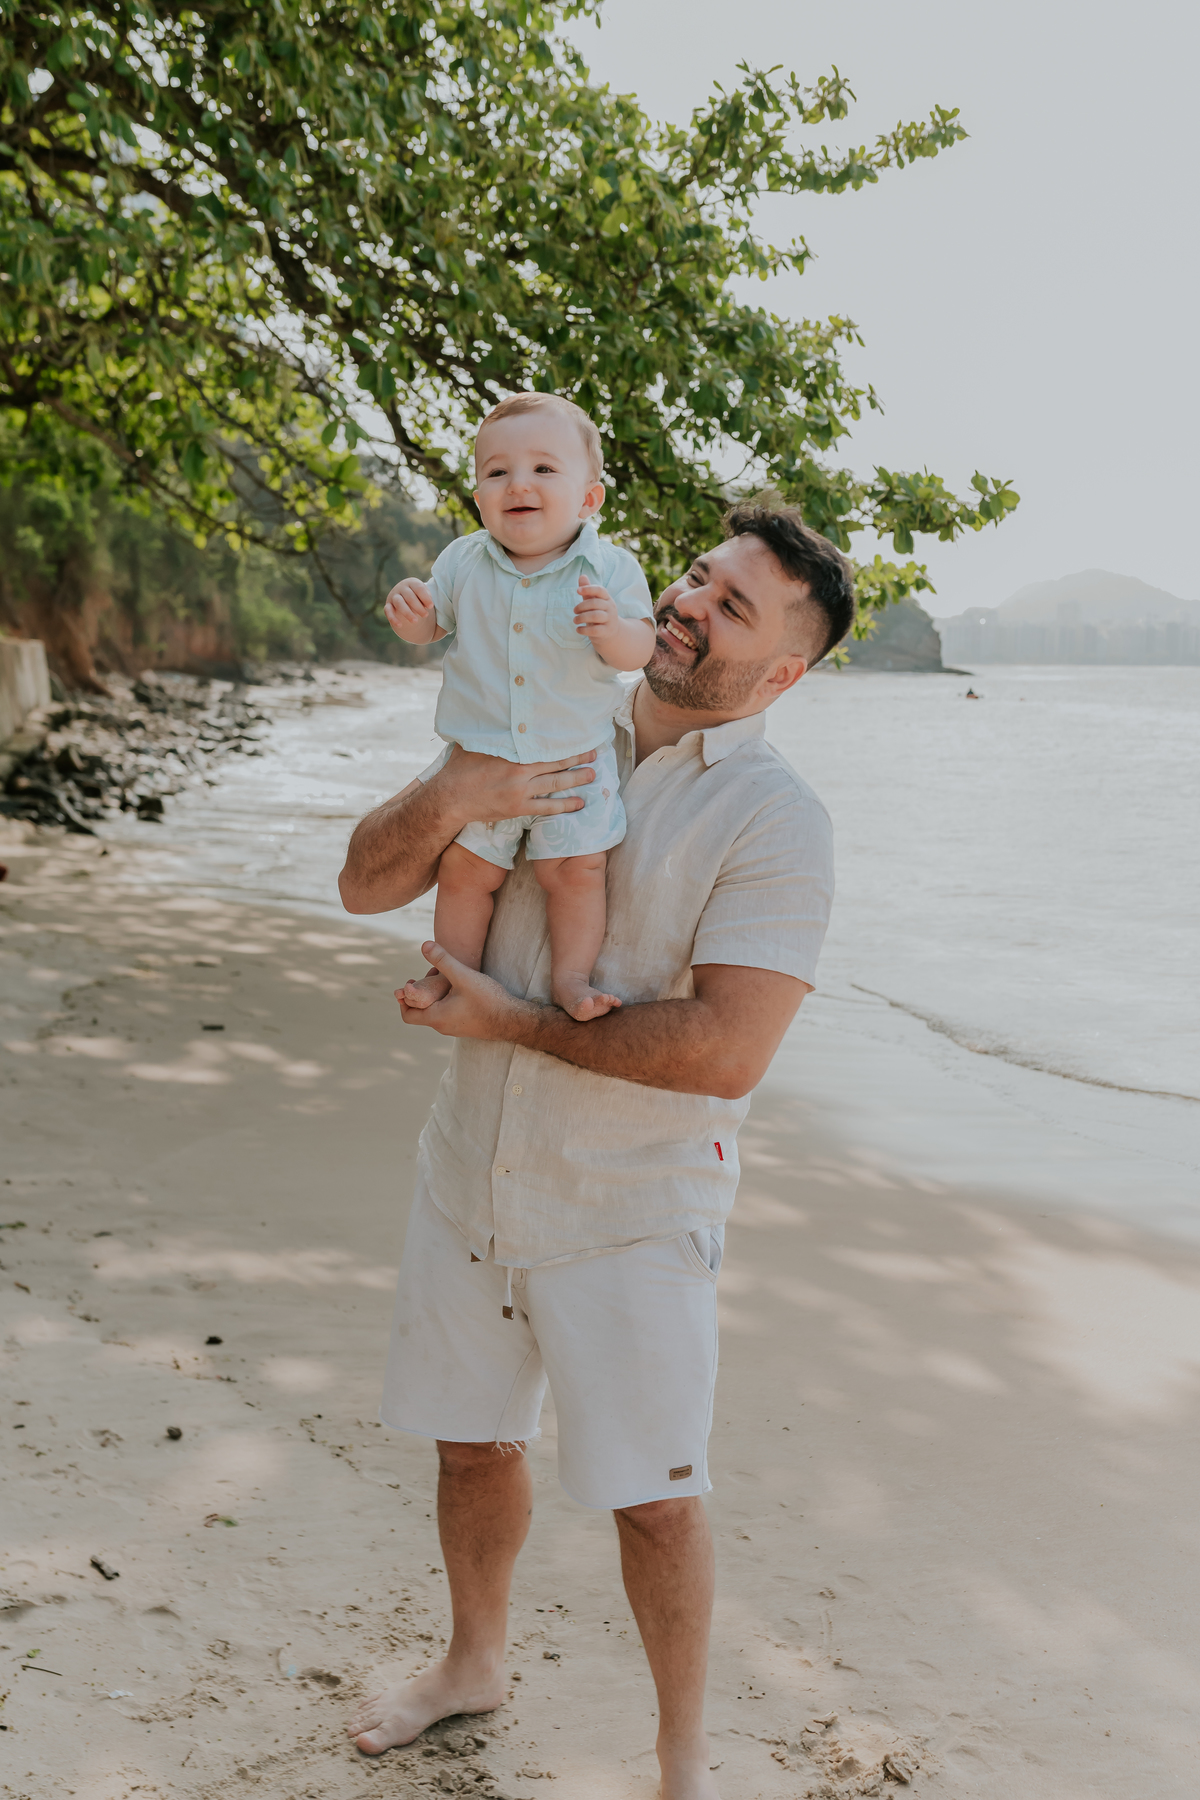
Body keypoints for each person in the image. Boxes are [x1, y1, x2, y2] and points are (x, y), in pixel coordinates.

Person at [338, 491, 854, 1800]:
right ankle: (472, 1663)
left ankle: (684, 1762)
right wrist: (462, 781)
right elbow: (364, 881)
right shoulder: (542, 713)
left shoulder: (776, 821)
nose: (686, 602)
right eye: (693, 575)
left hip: (631, 1212)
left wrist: (512, 1020)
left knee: (655, 1497)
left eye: (732, 606)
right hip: (466, 1169)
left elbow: (727, 1048)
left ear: (782, 671)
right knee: (469, 1441)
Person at [385, 392, 655, 1021]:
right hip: (480, 760)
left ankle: (572, 978)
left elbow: (637, 649)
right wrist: (413, 617)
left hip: (574, 763)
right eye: (497, 472)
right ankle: (445, 971)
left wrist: (611, 628)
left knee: (576, 871)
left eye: (543, 468)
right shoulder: (461, 562)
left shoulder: (609, 568)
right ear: (479, 498)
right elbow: (433, 628)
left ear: (589, 498)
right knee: (466, 871)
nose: (518, 484)